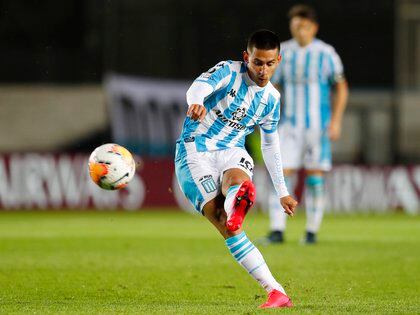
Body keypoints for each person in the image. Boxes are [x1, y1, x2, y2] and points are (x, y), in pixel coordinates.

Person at [174, 29, 298, 309]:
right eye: (257, 63)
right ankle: (275, 289)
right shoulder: (229, 72)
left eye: (269, 63)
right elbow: (198, 86)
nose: (263, 70)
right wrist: (195, 102)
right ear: (247, 58)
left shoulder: (272, 100)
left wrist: (282, 192)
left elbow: (270, 145)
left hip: (233, 150)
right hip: (196, 149)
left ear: (278, 60)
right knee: (220, 218)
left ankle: (236, 203)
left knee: (237, 180)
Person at [265, 4, 349, 244]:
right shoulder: (284, 52)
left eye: (303, 26)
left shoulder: (326, 53)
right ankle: (277, 229)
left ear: (313, 27)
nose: (298, 31)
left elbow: (341, 88)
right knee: (282, 174)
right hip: (289, 126)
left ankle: (311, 232)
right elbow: (274, 85)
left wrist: (336, 120)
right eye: (294, 26)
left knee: (314, 177)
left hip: (317, 127)